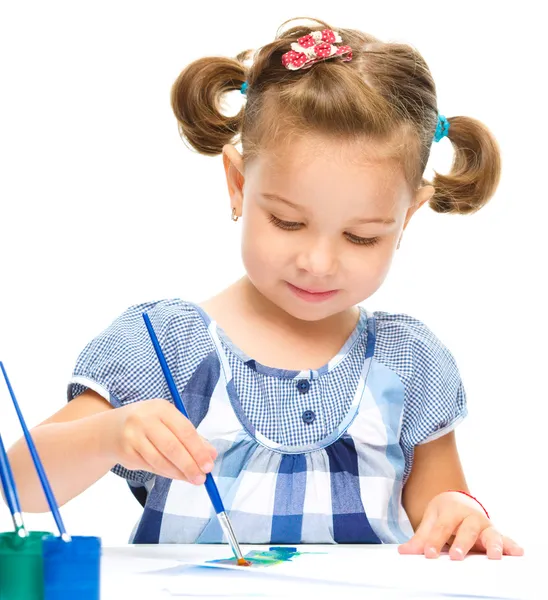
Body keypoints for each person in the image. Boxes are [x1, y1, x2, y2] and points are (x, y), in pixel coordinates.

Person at [7, 18, 523, 560]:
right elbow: (17, 484)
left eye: (360, 236)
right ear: (238, 184)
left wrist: (462, 515)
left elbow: (442, 509)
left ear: (407, 218)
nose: (318, 262)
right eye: (288, 223)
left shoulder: (408, 362)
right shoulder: (165, 346)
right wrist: (110, 434)